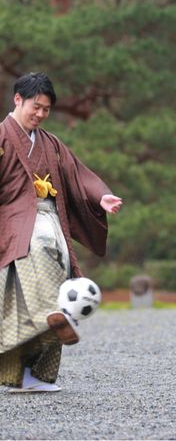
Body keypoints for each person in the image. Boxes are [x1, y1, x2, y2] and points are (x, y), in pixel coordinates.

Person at [0, 72, 122, 393]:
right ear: (17, 100)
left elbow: (77, 174)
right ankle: (54, 324)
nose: (40, 114)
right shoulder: (1, 137)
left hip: (52, 220)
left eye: (46, 109)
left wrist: (101, 196)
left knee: (60, 274)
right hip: (16, 223)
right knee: (36, 281)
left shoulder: (51, 144)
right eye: (36, 107)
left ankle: (36, 372)